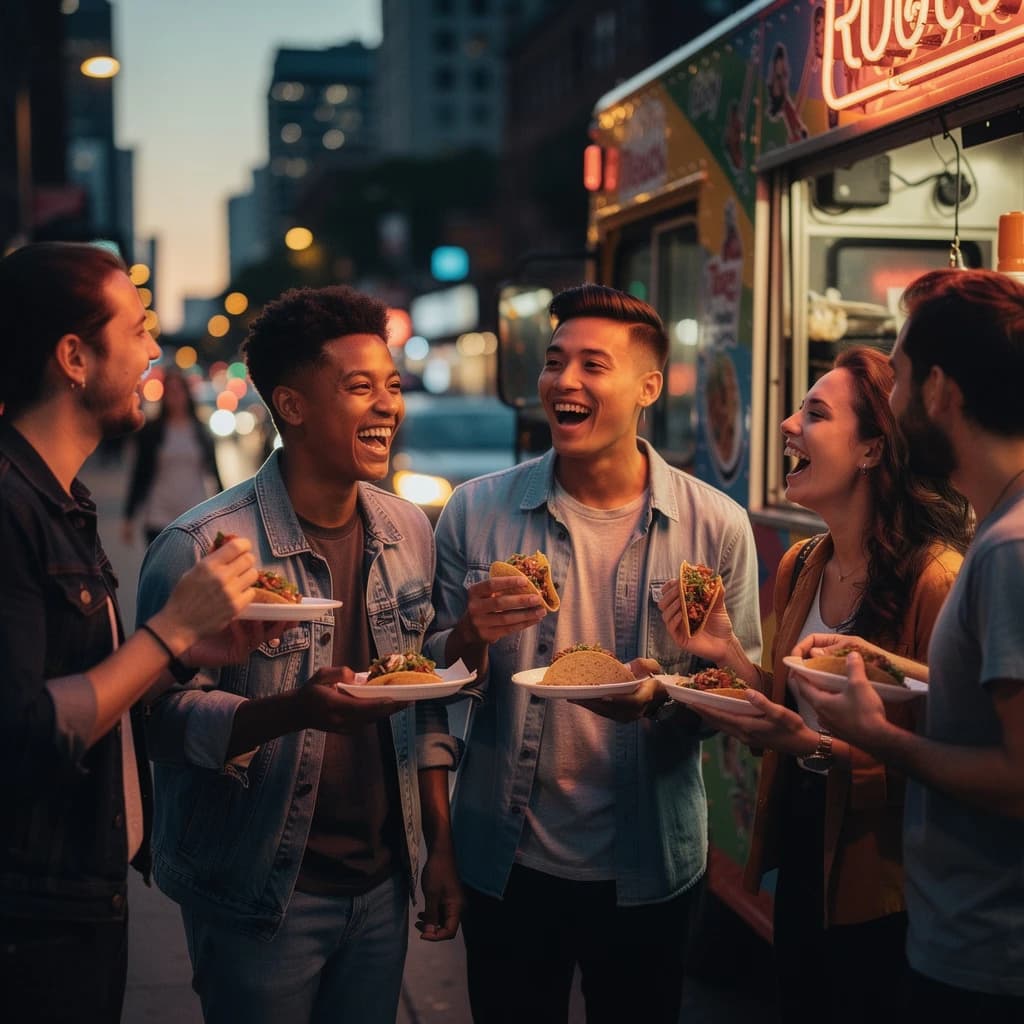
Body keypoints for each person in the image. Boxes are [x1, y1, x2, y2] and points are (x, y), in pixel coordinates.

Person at [425, 283, 762, 1024]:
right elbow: (429, 689)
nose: (564, 383)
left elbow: (736, 701)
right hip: (505, 862)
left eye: (591, 365)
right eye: (553, 362)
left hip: (650, 865)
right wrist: (468, 637)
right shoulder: (474, 513)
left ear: (647, 386)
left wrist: (668, 698)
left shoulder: (716, 527)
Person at [136, 284, 462, 1024]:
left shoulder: (409, 530)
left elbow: (425, 695)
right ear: (292, 405)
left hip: (383, 884)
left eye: (392, 386)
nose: (387, 405)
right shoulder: (199, 548)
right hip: (259, 891)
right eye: (359, 388)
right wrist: (290, 712)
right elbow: (155, 722)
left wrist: (437, 845)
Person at [658, 344, 971, 1022]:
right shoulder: (804, 562)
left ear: (869, 450)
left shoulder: (937, 579)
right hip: (804, 860)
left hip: (887, 889)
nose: (787, 426)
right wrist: (721, 655)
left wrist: (814, 747)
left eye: (816, 413)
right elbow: (792, 703)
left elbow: (955, 764)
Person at [0, 242, 260, 1022]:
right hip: (32, 924)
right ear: (74, 357)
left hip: (81, 900)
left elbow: (83, 679)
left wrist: (185, 652)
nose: (155, 350)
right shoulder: (12, 509)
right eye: (139, 328)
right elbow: (23, 730)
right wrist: (170, 628)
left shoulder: (63, 501)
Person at [796, 269, 1024, 1019]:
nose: (891, 405)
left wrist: (875, 736)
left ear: (941, 393)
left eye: (900, 377)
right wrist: (890, 665)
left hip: (986, 958)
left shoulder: (1004, 551)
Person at [122, 367, 223, 546]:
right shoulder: (152, 431)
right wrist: (129, 516)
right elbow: (140, 474)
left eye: (179, 390)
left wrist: (225, 513)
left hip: (195, 515)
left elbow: (215, 473)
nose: (175, 396)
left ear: (187, 394)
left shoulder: (199, 430)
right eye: (170, 391)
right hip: (159, 514)